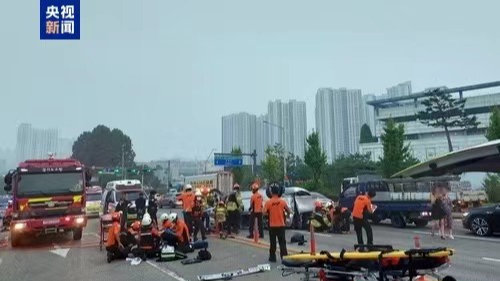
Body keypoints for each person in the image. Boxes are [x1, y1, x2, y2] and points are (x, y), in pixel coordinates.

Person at [263, 182, 290, 262]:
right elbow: (288, 211)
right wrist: (287, 217)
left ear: (271, 192)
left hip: (272, 225)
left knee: (273, 242)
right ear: (278, 192)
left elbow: (264, 213)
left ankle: (272, 257)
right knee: (282, 242)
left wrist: (268, 215)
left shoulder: (268, 203)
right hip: (281, 225)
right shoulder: (282, 202)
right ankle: (284, 258)